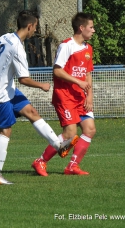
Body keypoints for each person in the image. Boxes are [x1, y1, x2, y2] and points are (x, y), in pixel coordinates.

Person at [0, 10, 79, 185]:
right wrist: (42, 86)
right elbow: (23, 79)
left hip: (8, 90)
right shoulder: (17, 47)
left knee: (31, 111)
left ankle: (58, 146)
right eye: (35, 27)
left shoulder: (6, 37)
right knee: (5, 131)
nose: (35, 31)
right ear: (30, 26)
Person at [32, 12, 96, 176]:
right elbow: (57, 71)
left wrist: (89, 96)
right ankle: (41, 161)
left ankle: (72, 166)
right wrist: (78, 82)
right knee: (70, 134)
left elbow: (88, 74)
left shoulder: (88, 49)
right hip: (65, 96)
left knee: (89, 130)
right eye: (91, 27)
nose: (93, 30)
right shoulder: (66, 45)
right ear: (81, 28)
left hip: (80, 96)